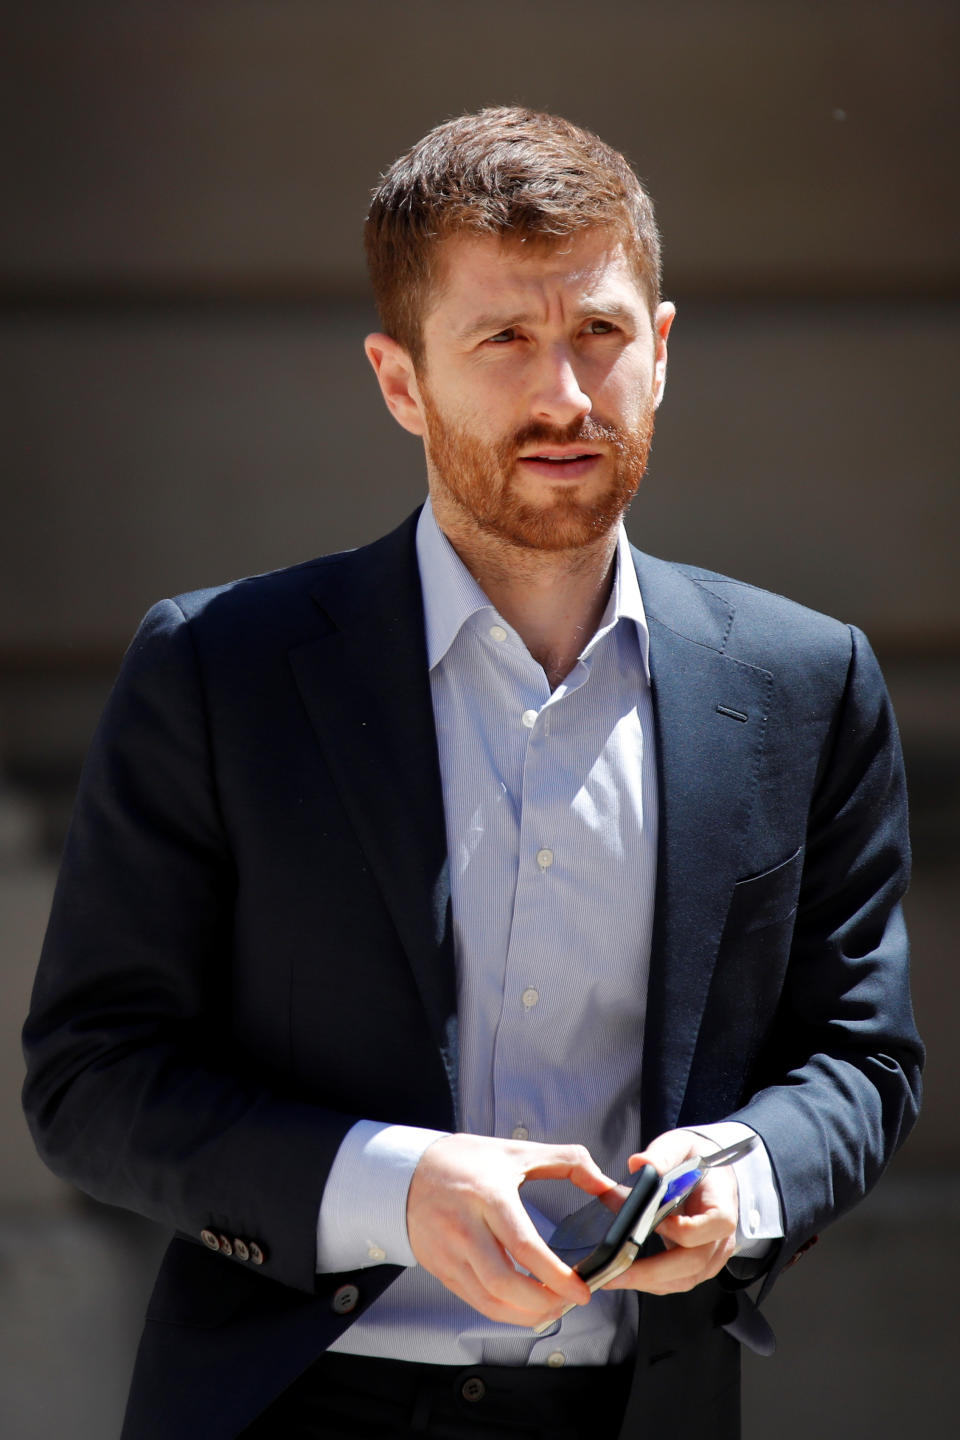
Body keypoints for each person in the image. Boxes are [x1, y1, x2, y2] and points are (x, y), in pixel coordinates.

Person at [23, 108, 922, 1440]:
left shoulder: (809, 682)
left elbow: (861, 1061)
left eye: (601, 334)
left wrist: (740, 1175)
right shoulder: (219, 671)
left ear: (661, 352)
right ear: (401, 380)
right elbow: (90, 1079)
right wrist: (395, 1189)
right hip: (293, 1410)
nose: (564, 393)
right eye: (503, 340)